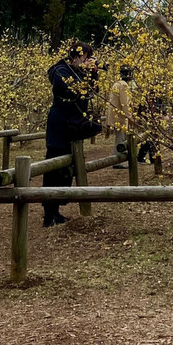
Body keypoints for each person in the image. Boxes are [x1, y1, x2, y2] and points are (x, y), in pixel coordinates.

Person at [42, 42, 103, 227]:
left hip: (72, 127)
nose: (87, 61)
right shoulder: (59, 70)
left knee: (67, 170)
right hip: (60, 127)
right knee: (54, 169)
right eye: (86, 57)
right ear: (77, 56)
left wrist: (92, 72)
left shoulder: (78, 72)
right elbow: (69, 88)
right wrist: (83, 72)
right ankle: (49, 213)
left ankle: (56, 211)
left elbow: (93, 90)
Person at [106, 65, 134, 169]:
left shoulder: (117, 84)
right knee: (120, 138)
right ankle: (117, 160)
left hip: (115, 114)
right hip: (119, 116)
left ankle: (117, 158)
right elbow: (124, 103)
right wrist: (129, 116)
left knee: (120, 137)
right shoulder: (123, 85)